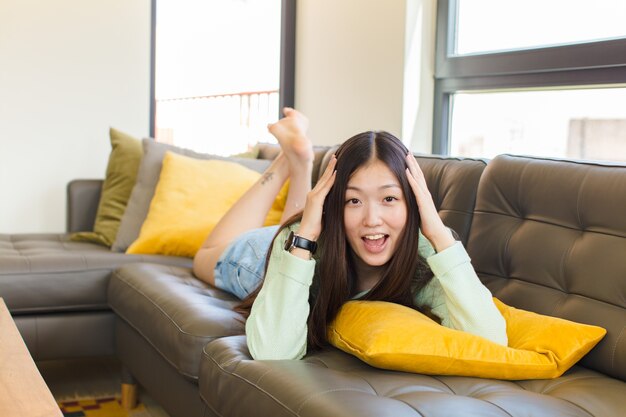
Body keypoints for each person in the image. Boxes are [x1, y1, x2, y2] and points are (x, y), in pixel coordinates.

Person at [193, 108, 508, 361]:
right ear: (334, 205)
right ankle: (286, 161)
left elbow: (491, 342)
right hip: (275, 257)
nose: (372, 220)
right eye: (353, 200)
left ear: (414, 203)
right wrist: (303, 238)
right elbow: (272, 352)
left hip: (309, 238)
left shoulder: (425, 254)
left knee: (295, 224)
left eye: (389, 199)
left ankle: (299, 161)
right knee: (204, 256)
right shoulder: (299, 237)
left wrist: (438, 232)